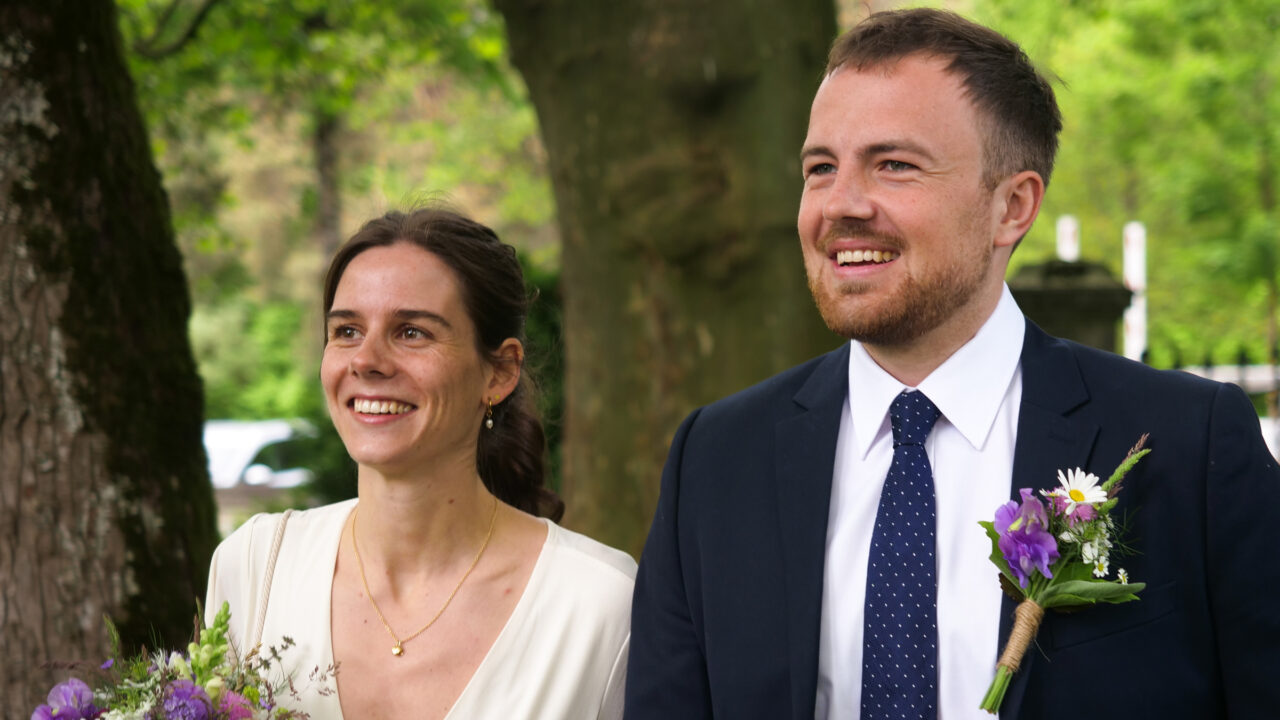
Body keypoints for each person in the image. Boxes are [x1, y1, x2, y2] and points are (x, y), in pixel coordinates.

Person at [625, 8, 1280, 720]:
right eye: (820, 168)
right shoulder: (718, 459)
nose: (840, 205)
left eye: (894, 165)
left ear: (1012, 208)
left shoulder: (1186, 445)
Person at [206, 208, 635, 719]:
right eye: (346, 331)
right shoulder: (256, 566)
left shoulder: (601, 604)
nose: (366, 360)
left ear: (499, 372)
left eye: (411, 332)